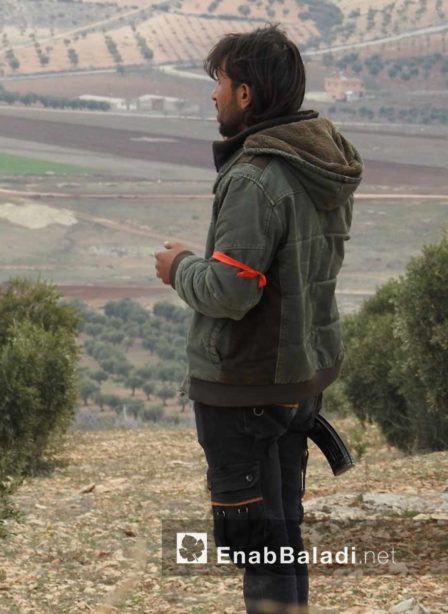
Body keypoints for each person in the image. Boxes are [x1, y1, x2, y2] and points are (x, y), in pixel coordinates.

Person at [153, 24, 363, 614]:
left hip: (245, 384)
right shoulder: (318, 163)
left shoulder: (254, 176)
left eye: (219, 83)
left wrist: (177, 267)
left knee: (257, 544)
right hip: (296, 379)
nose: (213, 96)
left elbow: (229, 291)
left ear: (245, 95)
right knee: (282, 537)